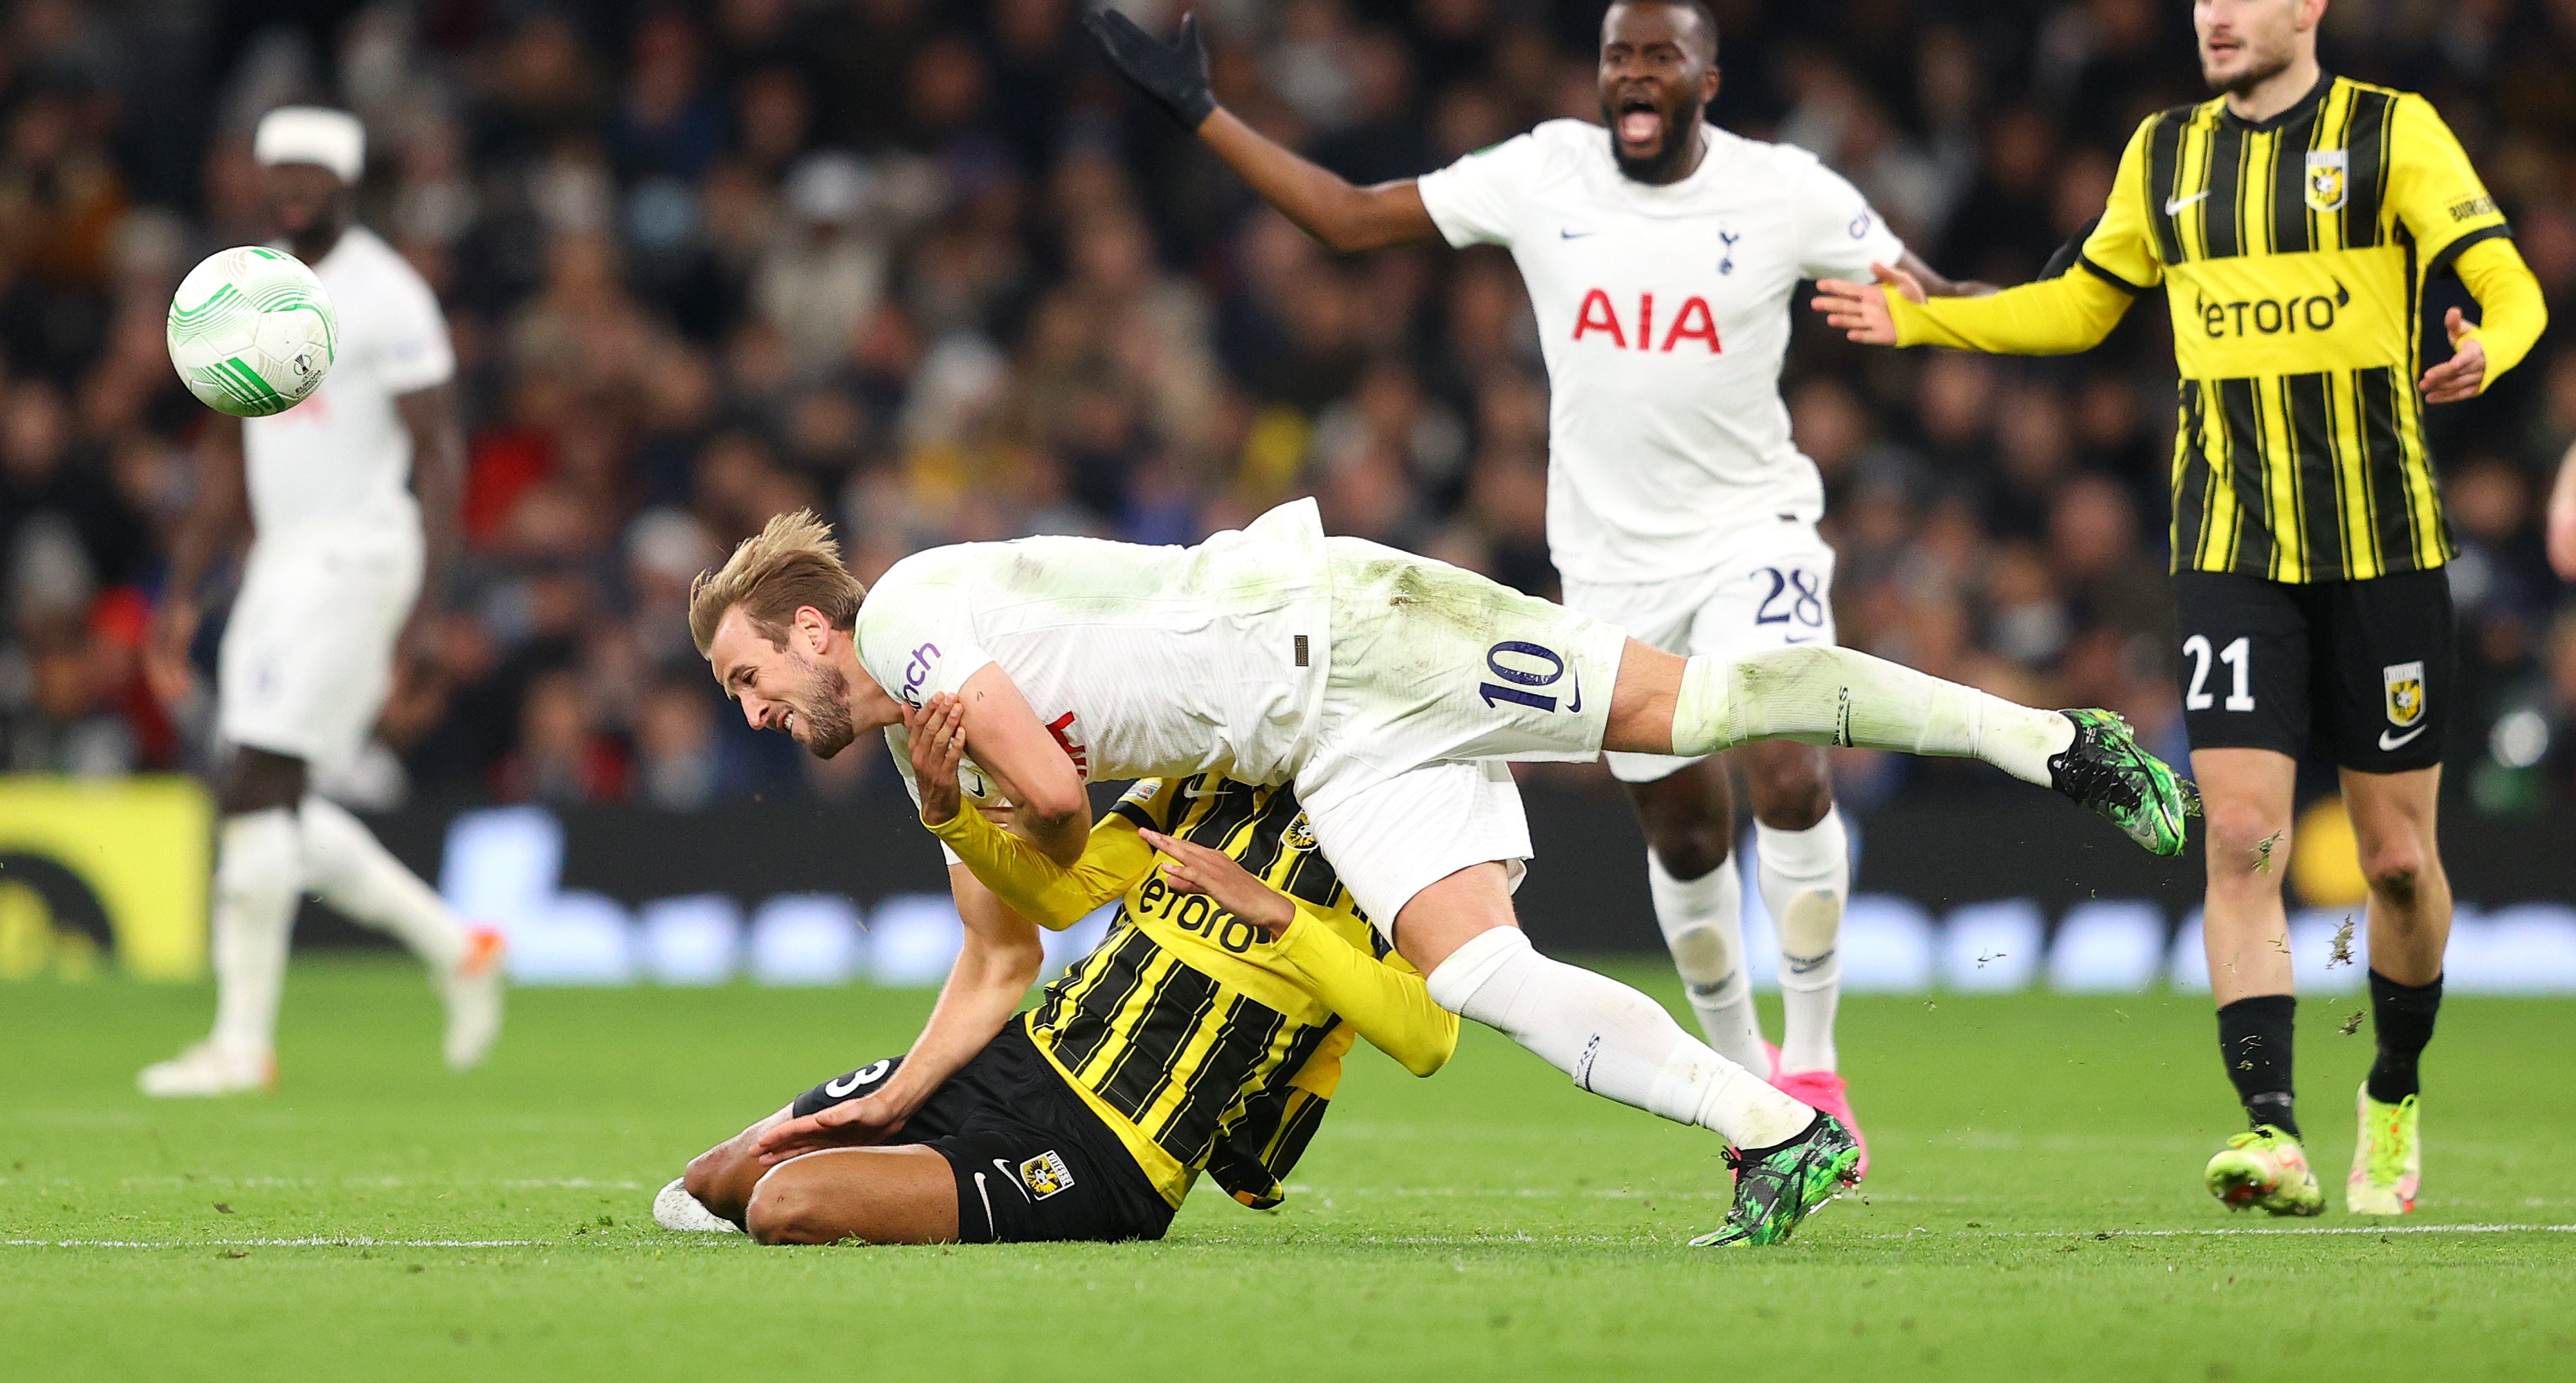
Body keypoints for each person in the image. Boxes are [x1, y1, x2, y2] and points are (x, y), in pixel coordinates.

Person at [688, 506, 2195, 1245]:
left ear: (813, 629)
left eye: (753, 674)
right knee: (1470, 969)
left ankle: (2050, 738)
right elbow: (1021, 941)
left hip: (1353, 628)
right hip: (1329, 747)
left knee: (1700, 708)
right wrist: (897, 1081)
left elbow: (1074, 812)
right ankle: (1770, 1130)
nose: (754, 712)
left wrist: (984, 802)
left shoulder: (906, 621)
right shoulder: (919, 748)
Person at [1084, 0, 1986, 1170]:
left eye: (1662, 56)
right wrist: (1203, 112)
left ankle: (1814, 1063)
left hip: (1750, 528)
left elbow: (1935, 292)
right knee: (1677, 821)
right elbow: (1349, 220)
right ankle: (1749, 1082)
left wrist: (2081, 300)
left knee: (1785, 749)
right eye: (1617, 55)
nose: (1635, 74)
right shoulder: (1544, 172)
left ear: (1706, 80)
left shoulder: (1786, 190)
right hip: (1608, 560)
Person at [1817, 0, 2548, 1219]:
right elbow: (2079, 302)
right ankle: (2269, 1126)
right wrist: (1926, 322)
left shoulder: (2389, 133)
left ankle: (2388, 1086)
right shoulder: (2164, 154)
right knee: (2239, 833)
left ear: (2306, 6)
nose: (2213, 11)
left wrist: (2490, 341)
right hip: (2229, 550)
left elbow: (2509, 280)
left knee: (2393, 861)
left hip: (2382, 546)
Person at [660, 711, 1456, 1246]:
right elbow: (1060, 892)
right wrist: (952, 815)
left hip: (1115, 1152)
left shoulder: (1396, 847)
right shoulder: (1206, 779)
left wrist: (1279, 917)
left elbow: (1428, 1037)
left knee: (785, 1203)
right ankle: (915, 1188)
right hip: (1020, 1061)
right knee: (717, 1180)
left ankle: (912, 1201)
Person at [138, 106, 504, 1096]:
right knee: (274, 798)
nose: (294, 190)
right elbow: (224, 448)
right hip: (279, 561)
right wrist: (183, 593)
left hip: (359, 553)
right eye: (280, 175)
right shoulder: (241, 283)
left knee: (257, 780)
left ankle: (240, 1044)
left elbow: (439, 458)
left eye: (313, 176)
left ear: (347, 183)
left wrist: (430, 611)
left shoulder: (389, 297)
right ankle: (457, 943)